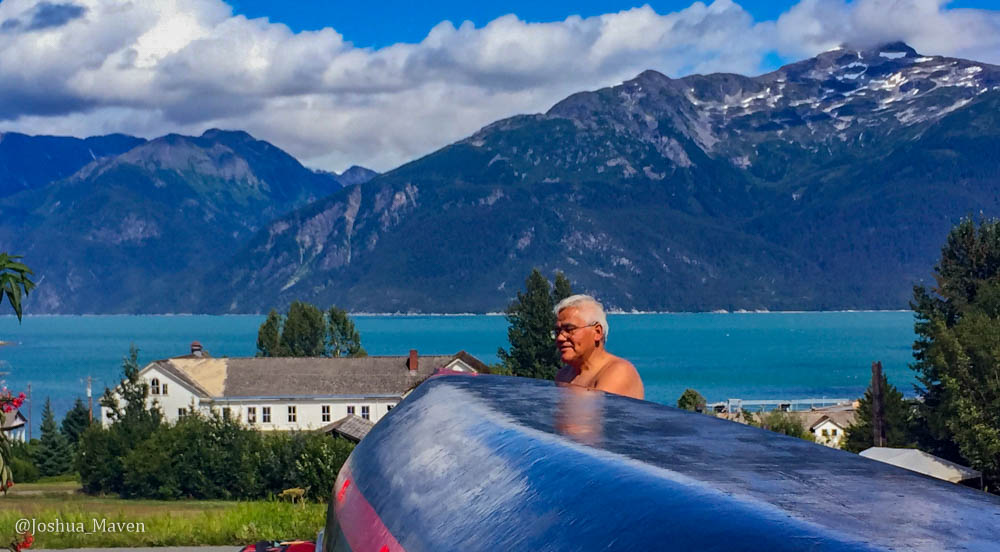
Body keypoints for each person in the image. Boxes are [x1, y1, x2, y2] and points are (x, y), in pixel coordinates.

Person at [552, 294, 644, 400]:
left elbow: (597, 410)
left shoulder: (618, 373)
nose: (560, 338)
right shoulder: (563, 375)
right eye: (557, 331)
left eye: (569, 329)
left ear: (597, 332)